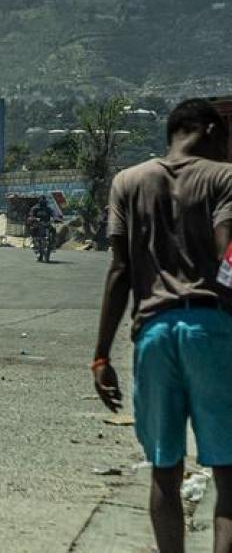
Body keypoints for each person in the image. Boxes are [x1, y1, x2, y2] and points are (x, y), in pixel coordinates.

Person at [93, 98, 232, 553]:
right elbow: (228, 251)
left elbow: (119, 271)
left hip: (152, 334)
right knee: (228, 477)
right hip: (210, 329)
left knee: (164, 471)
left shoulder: (127, 181)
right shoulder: (224, 177)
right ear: (211, 130)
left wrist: (100, 355)